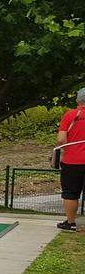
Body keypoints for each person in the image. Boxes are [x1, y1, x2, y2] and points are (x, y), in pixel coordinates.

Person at [55, 87, 85, 232]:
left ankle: (71, 223)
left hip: (72, 161)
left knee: (70, 193)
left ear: (78, 100)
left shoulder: (70, 115)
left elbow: (61, 139)